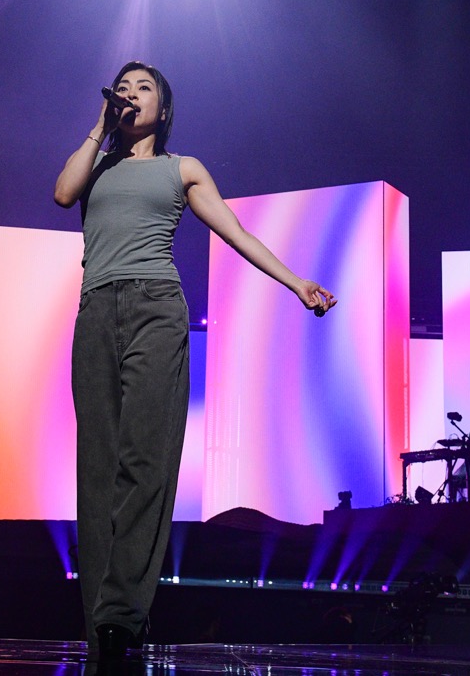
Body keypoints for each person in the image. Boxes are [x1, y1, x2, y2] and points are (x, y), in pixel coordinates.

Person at [55, 62, 336, 662]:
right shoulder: (97, 164)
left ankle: (122, 614)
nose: (130, 94)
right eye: (122, 87)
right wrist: (97, 129)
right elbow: (62, 194)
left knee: (144, 461)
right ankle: (100, 625)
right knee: (97, 469)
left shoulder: (181, 169)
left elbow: (236, 233)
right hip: (96, 311)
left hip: (155, 308)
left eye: (143, 88)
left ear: (164, 108)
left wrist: (296, 283)